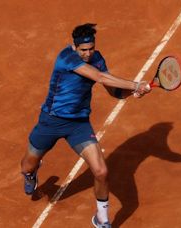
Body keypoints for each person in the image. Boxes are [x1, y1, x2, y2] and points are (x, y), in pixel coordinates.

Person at [20, 23, 151, 228]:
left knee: (101, 171)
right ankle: (30, 174)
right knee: (28, 164)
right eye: (83, 50)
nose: (88, 53)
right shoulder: (66, 58)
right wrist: (136, 84)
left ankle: (102, 219)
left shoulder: (98, 59)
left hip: (79, 124)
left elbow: (113, 91)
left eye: (91, 49)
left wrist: (132, 93)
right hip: (51, 121)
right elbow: (99, 77)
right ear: (74, 47)